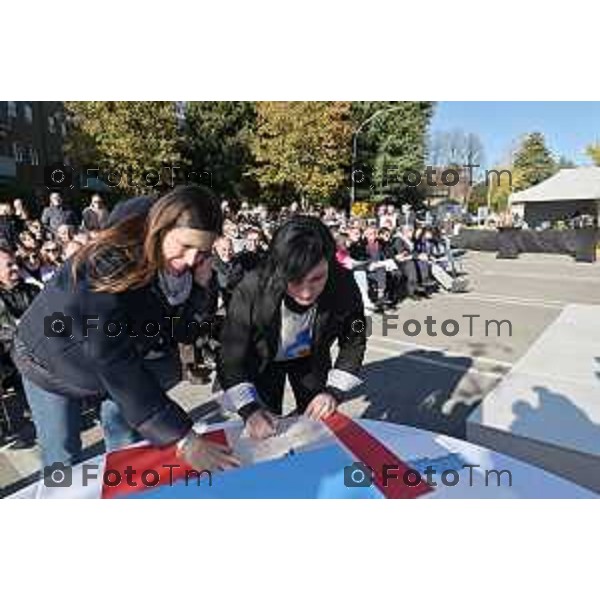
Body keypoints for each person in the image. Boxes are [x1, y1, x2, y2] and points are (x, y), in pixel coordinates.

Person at [13, 184, 240, 473]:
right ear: (160, 228)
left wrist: (200, 288)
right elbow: (111, 355)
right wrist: (184, 438)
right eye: (185, 246)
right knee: (63, 457)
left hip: (111, 366)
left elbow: (182, 333)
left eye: (203, 250)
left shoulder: (189, 268)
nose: (192, 259)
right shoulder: (109, 261)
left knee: (127, 448)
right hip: (50, 360)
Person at [217, 216, 367, 439]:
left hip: (310, 358)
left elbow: (354, 339)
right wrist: (249, 410)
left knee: (317, 420)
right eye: (295, 281)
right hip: (261, 361)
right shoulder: (251, 288)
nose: (306, 293)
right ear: (279, 268)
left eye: (317, 278)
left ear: (329, 263)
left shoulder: (343, 283)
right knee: (264, 423)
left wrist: (333, 392)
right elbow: (230, 356)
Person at [0, 249, 40, 448]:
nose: (16, 268)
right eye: (9, 265)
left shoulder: (32, 289)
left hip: (40, 355)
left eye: (15, 263)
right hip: (11, 360)